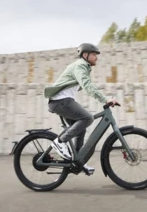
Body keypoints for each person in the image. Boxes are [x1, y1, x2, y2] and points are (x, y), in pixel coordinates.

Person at [43, 43, 119, 173]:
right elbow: (88, 86)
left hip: (63, 100)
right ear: (85, 55)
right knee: (87, 118)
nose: (96, 57)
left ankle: (78, 161)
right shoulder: (80, 66)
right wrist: (105, 99)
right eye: (94, 54)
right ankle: (60, 142)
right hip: (60, 101)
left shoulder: (82, 67)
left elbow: (85, 85)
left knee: (81, 129)